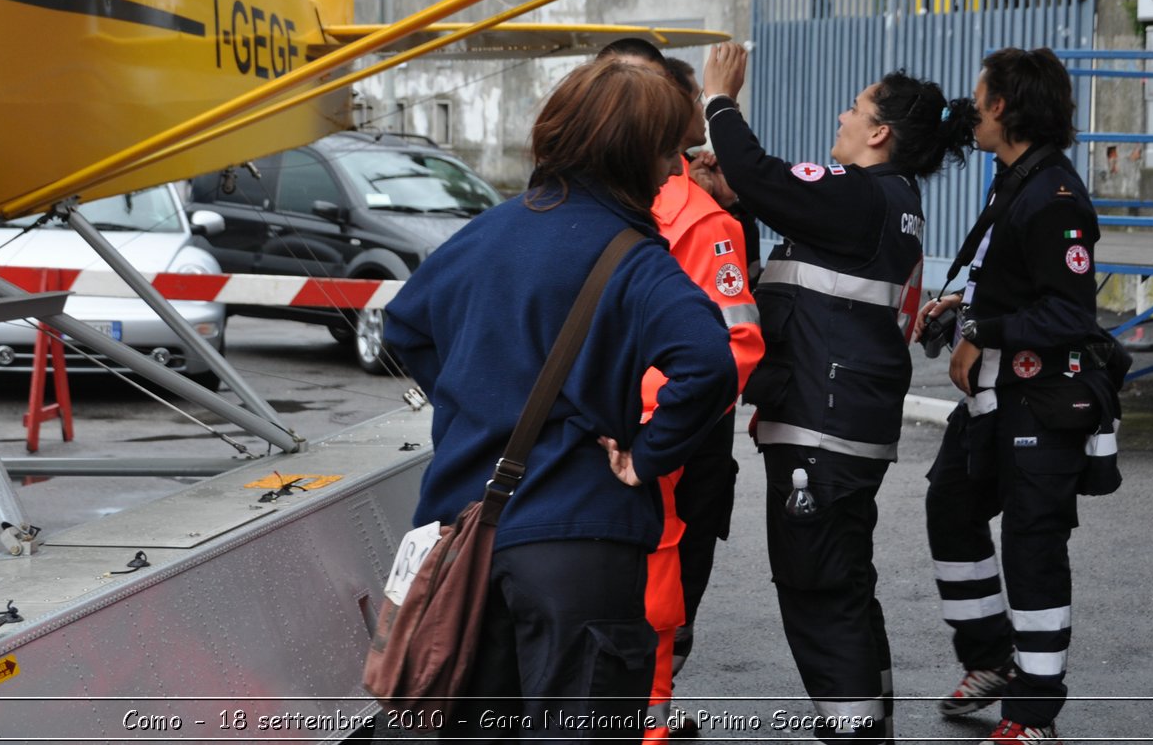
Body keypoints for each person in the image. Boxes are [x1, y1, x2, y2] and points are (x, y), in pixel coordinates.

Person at [384, 56, 737, 740]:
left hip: (467, 547)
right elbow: (710, 363)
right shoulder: (633, 256)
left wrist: (476, 403)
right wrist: (648, 453)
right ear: (634, 154)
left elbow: (406, 325)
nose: (676, 170)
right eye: (670, 151)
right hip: (580, 546)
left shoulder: (488, 230)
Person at [701, 41, 975, 743]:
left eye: (855, 108)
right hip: (841, 422)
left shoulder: (861, 193)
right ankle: (870, 725)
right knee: (843, 585)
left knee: (818, 589)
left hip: (822, 429)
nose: (842, 116)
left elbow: (760, 174)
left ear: (880, 133)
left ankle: (855, 734)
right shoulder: (890, 204)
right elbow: (783, 226)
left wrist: (720, 100)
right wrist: (737, 195)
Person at [913, 47, 1100, 745]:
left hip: (1040, 402)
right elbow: (1009, 274)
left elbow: (1070, 315)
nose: (971, 109)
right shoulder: (1014, 177)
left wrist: (983, 327)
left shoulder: (1055, 197)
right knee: (951, 507)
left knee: (1033, 548)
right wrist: (962, 303)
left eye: (978, 94)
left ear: (1002, 106)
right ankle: (991, 660)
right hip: (993, 397)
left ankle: (1033, 714)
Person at [598, 43, 765, 737]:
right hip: (668, 447)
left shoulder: (579, 201)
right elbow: (739, 346)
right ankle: (647, 719)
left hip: (606, 437)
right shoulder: (704, 218)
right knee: (663, 597)